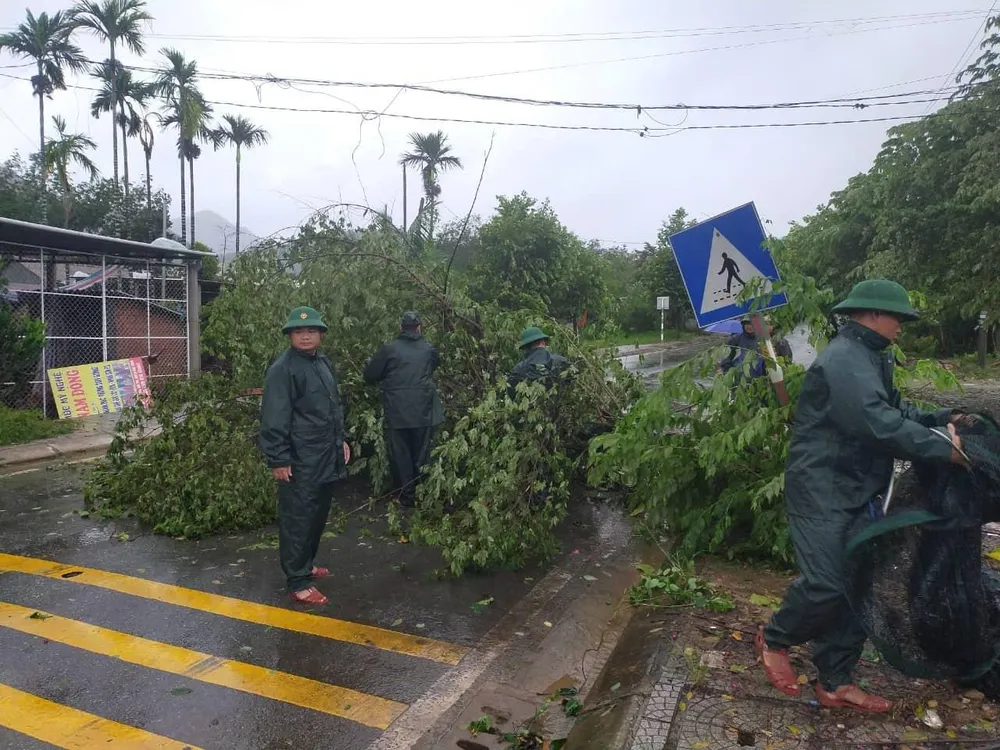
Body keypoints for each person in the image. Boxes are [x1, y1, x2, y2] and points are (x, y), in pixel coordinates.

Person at [755, 280, 969, 712]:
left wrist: (943, 418)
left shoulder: (870, 357)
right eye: (898, 319)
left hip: (859, 487)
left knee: (857, 583)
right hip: (822, 489)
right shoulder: (844, 359)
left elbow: (896, 411)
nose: (902, 328)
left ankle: (835, 680)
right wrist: (943, 448)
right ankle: (776, 636)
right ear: (872, 314)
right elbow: (876, 424)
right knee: (828, 582)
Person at [260, 306, 351, 606]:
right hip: (299, 458)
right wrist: (278, 458)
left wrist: (342, 442)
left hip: (326, 452)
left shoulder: (323, 363)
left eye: (311, 330)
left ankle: (307, 564)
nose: (306, 335)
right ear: (290, 336)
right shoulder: (283, 370)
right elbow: (274, 417)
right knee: (298, 517)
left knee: (317, 514)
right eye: (299, 331)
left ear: (321, 335)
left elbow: (333, 408)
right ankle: (298, 581)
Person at [363, 311, 444, 508]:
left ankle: (406, 496)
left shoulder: (389, 350)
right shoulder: (429, 349)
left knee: (401, 455)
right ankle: (424, 496)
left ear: (401, 327)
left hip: (397, 410)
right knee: (422, 453)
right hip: (424, 410)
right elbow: (434, 365)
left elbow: (370, 375)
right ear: (420, 327)